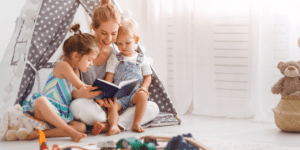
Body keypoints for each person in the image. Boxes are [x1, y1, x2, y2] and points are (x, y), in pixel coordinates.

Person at [70, 0, 159, 136]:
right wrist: (86, 94)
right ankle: (113, 123)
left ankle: (108, 125)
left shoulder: (117, 54)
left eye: (114, 34)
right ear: (94, 27)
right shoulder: (82, 48)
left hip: (115, 105)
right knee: (77, 107)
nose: (109, 39)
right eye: (104, 33)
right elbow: (73, 92)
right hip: (94, 106)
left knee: (153, 108)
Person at [22, 24, 99, 142]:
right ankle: (69, 131)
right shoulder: (63, 66)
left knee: (82, 127)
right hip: (46, 109)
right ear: (76, 56)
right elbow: (79, 85)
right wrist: (91, 89)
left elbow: (74, 93)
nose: (91, 64)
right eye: (89, 60)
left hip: (60, 114)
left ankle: (39, 134)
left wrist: (86, 94)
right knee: (41, 100)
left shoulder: (76, 71)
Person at [96, 20, 151, 135]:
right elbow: (109, 76)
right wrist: (107, 94)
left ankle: (136, 123)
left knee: (143, 96)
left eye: (127, 43)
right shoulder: (115, 58)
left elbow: (148, 77)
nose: (123, 47)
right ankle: (114, 126)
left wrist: (144, 88)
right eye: (119, 43)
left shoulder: (141, 58)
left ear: (136, 40)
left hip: (135, 93)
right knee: (112, 107)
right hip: (120, 95)